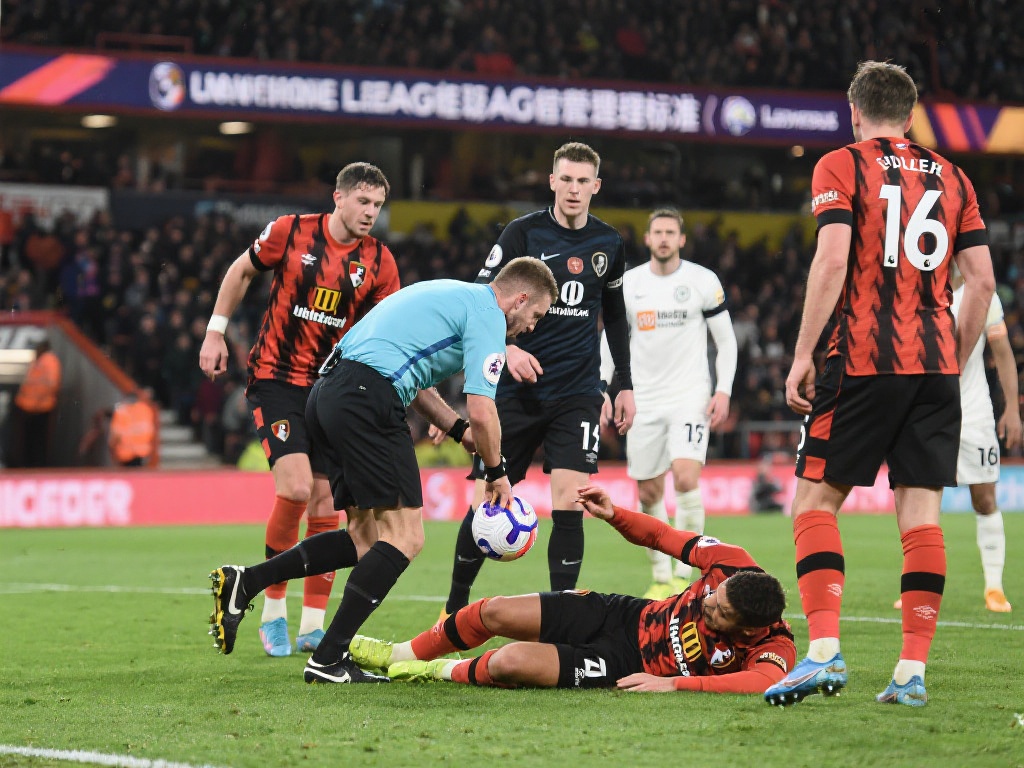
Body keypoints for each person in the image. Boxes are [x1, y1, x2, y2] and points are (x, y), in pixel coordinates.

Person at [763, 61, 995, 708]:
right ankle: (910, 673)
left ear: (855, 113)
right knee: (921, 516)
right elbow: (981, 283)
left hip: (864, 358)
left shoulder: (841, 163)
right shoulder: (954, 176)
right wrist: (954, 352)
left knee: (814, 504)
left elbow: (834, 257)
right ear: (912, 114)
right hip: (935, 367)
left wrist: (802, 354)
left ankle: (823, 654)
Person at [208, 257, 558, 685]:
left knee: (365, 540)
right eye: (535, 315)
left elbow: (420, 383)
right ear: (518, 299)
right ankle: (328, 657)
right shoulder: (488, 314)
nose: (532, 327)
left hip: (328, 396)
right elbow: (484, 411)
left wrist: (456, 429)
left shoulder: (449, 292)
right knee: (406, 537)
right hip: (366, 397)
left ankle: (246, 582)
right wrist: (496, 471)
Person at [199, 162, 400, 657]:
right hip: (277, 378)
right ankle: (272, 611)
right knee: (293, 489)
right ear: (339, 197)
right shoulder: (290, 232)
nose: (370, 213)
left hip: (333, 389)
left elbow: (388, 332)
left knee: (328, 505)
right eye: (363, 202)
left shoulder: (379, 262)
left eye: (377, 205)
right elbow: (242, 269)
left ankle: (313, 624)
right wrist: (215, 329)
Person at [345, 484, 794, 693]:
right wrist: (616, 513)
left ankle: (434, 673)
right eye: (711, 598)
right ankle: (401, 655)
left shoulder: (774, 645)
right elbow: (662, 537)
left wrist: (674, 685)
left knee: (510, 661)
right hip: (624, 614)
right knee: (495, 611)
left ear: (748, 629)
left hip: (624, 663)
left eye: (717, 614)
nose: (707, 607)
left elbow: (761, 681)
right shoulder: (731, 563)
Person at [442, 142, 636, 616]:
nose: (573, 189)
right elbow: (481, 300)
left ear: (596, 186)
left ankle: (561, 615)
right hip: (515, 392)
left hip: (577, 392)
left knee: (571, 502)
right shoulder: (521, 233)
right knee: (487, 500)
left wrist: (624, 382)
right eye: (565, 179)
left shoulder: (609, 243)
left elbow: (614, 317)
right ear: (551, 181)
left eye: (582, 181)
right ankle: (453, 609)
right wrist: (506, 348)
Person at [599, 208, 737, 600]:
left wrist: (723, 389)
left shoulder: (701, 281)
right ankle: (661, 576)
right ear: (647, 239)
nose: (663, 238)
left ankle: (687, 570)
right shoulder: (630, 283)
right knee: (648, 492)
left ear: (681, 239)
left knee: (687, 477)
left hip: (689, 396)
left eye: (670, 232)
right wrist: (602, 386)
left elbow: (725, 341)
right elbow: (612, 339)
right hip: (642, 398)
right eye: (657, 232)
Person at [893, 267, 1020, 613]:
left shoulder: (982, 294)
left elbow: (1003, 351)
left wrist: (1012, 409)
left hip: (973, 412)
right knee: (914, 500)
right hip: (923, 412)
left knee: (984, 499)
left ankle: (993, 587)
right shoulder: (913, 290)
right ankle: (916, 584)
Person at [10, 338, 62, 467]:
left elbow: (51, 384)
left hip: (40, 409)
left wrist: (37, 403)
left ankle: (36, 466)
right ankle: (26, 464)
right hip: (28, 407)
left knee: (38, 441)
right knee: (28, 441)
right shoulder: (37, 360)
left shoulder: (49, 360)